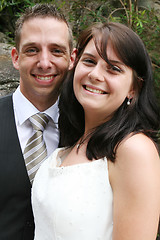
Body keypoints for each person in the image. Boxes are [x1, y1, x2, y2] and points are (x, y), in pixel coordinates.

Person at [32, 22, 160, 240]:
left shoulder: (133, 150)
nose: (95, 75)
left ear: (133, 88)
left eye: (114, 68)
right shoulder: (68, 146)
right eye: (89, 61)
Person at [0, 3, 76, 240]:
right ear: (15, 57)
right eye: (32, 50)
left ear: (72, 58)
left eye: (56, 51)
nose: (44, 63)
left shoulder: (87, 128)